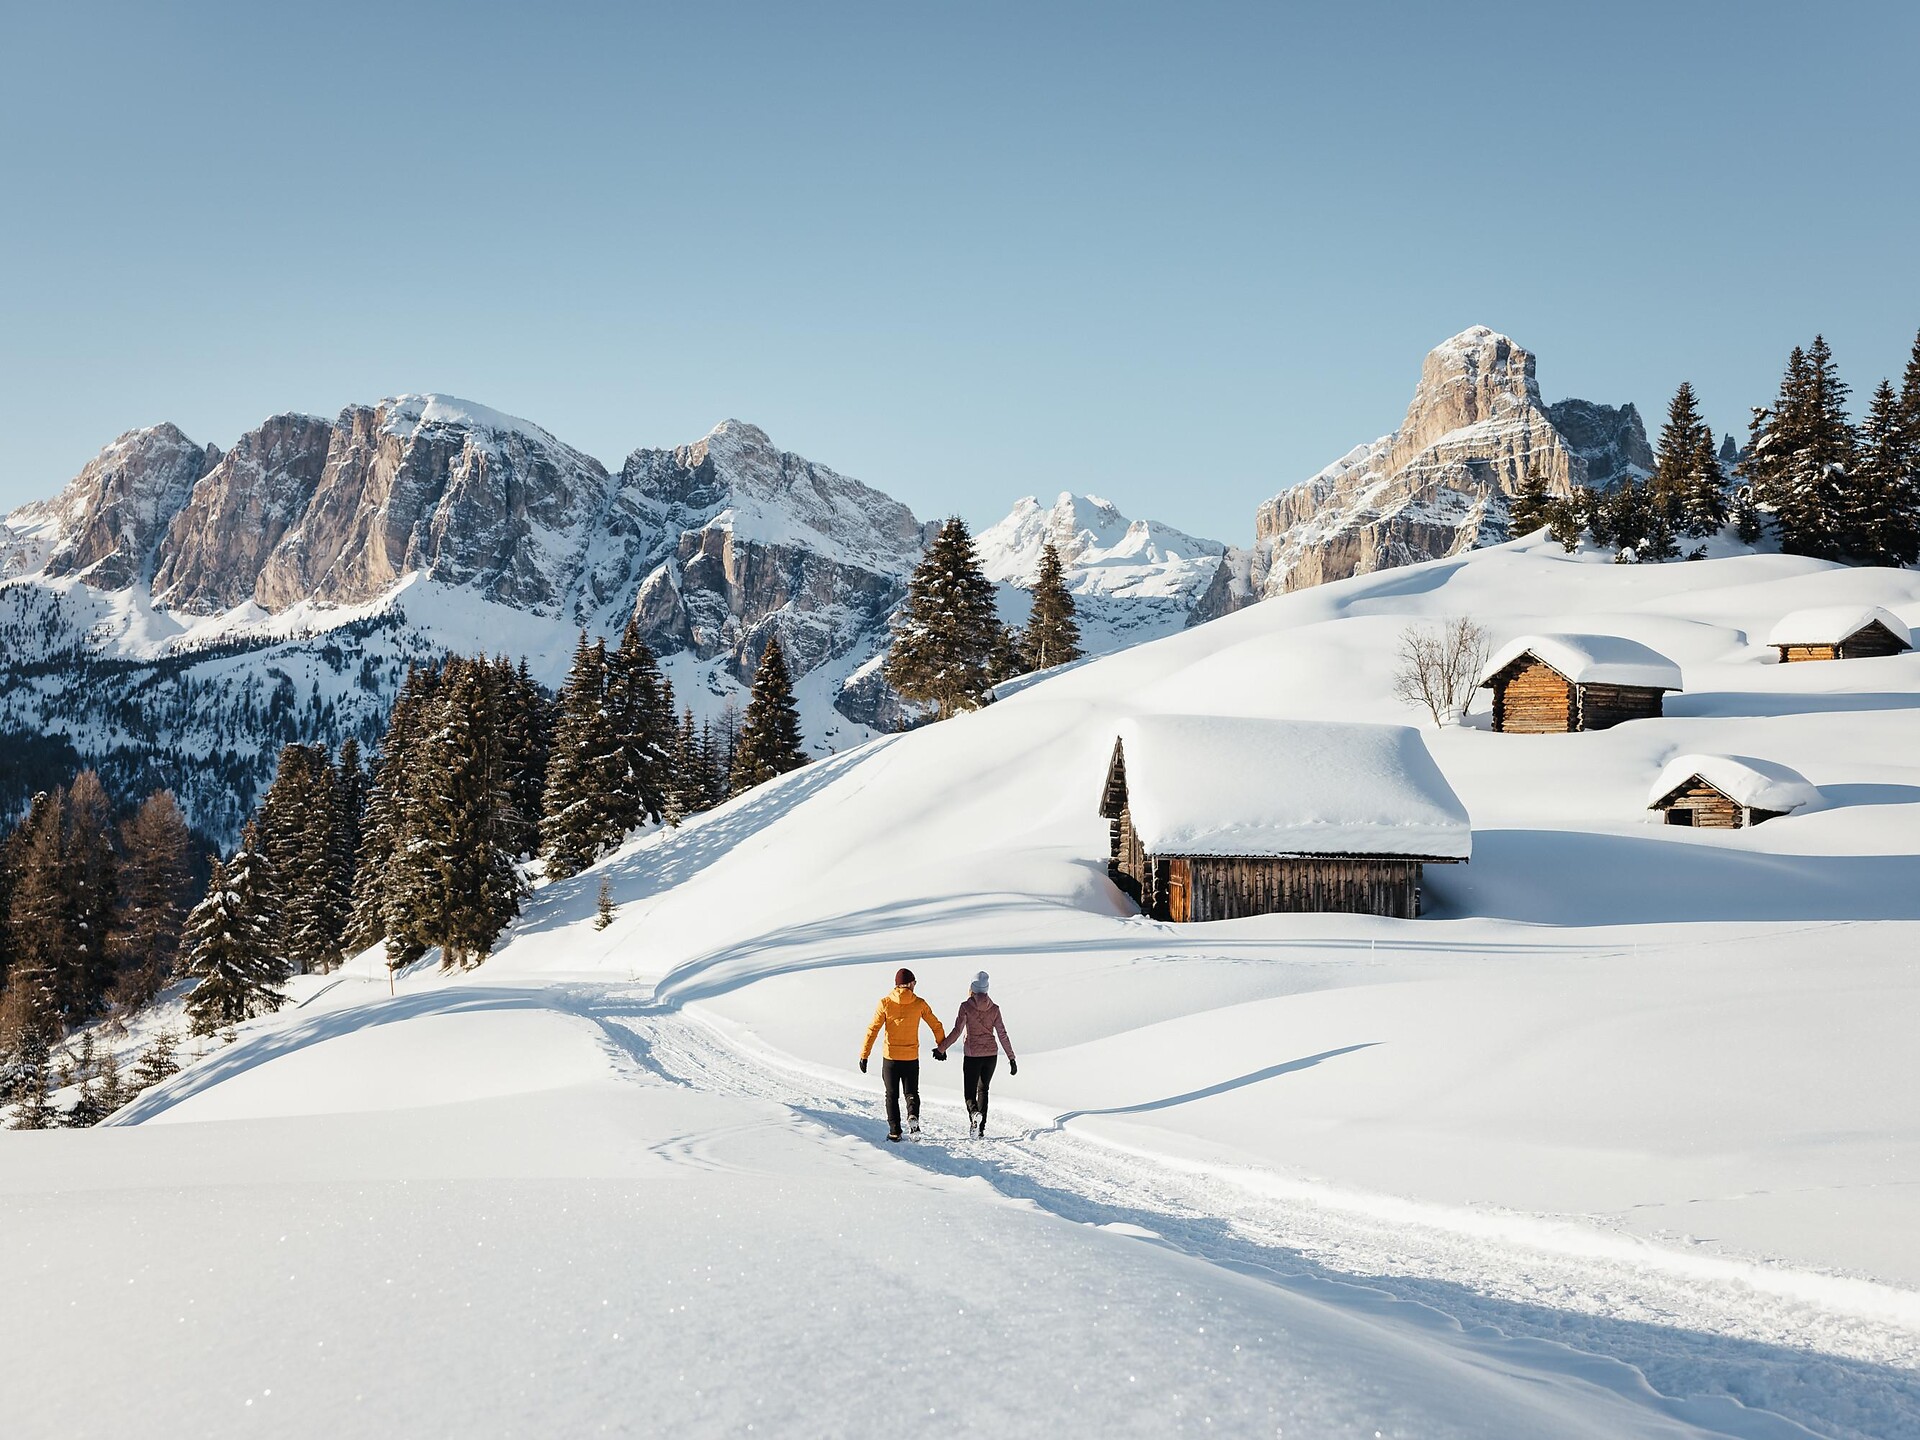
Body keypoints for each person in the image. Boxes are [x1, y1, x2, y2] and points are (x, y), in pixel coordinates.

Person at [859, 967, 948, 1141]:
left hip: (890, 1058)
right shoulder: (919, 1003)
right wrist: (941, 1047)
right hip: (911, 1057)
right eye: (914, 982)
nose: (915, 985)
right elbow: (936, 1025)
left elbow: (873, 1030)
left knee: (891, 1095)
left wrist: (865, 1055)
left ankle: (895, 1132)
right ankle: (912, 1116)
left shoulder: (885, 1003)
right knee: (911, 1092)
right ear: (909, 984)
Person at [945, 970, 1016, 1137]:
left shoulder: (965, 1006)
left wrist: (942, 1048)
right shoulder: (995, 1009)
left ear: (972, 988)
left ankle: (974, 1113)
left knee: (970, 1093)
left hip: (972, 1056)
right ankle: (980, 1129)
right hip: (991, 1056)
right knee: (983, 1091)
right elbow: (1002, 1034)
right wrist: (1011, 1058)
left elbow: (957, 1031)